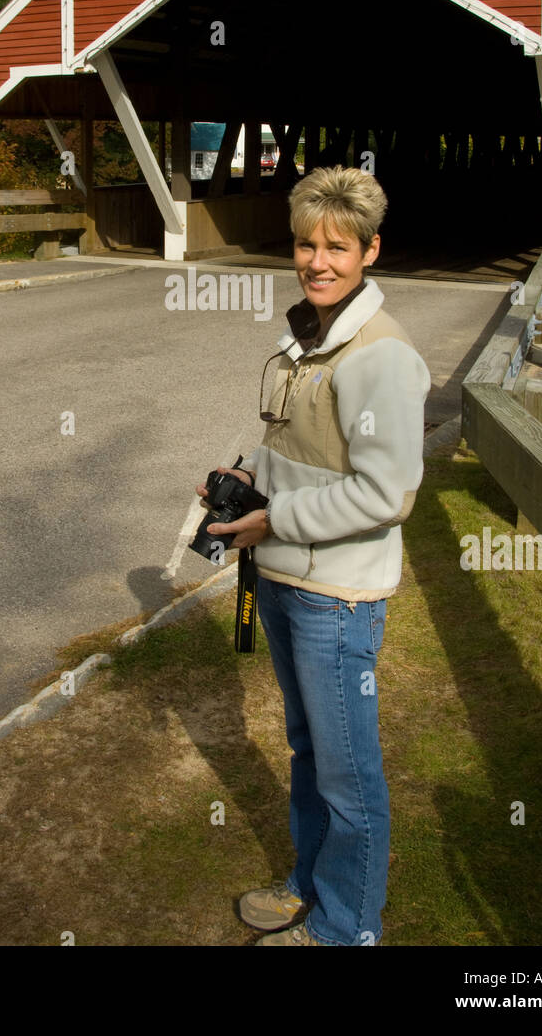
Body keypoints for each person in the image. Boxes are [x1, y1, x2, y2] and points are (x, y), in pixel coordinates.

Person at [196, 165, 430, 947]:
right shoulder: (308, 336)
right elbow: (298, 448)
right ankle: (309, 882)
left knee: (348, 776)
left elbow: (386, 493)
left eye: (336, 247)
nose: (317, 261)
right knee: (308, 752)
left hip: (338, 596)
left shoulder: (380, 357)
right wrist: (249, 477)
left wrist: (274, 519)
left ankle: (344, 931)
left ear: (369, 251)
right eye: (305, 244)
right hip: (288, 580)